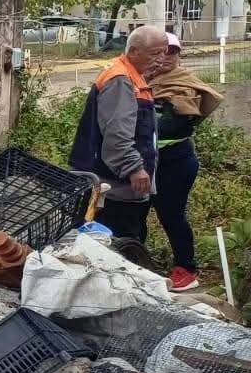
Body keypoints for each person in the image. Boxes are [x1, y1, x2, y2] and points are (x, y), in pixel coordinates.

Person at [70, 25, 170, 244]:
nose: (161, 59)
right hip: (114, 188)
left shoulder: (133, 77)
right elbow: (117, 134)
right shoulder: (121, 80)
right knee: (118, 245)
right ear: (133, 51)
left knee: (127, 240)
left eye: (164, 52)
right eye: (155, 53)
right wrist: (133, 168)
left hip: (120, 186)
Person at [148, 32, 222, 292]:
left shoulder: (185, 85)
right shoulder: (144, 80)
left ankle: (187, 269)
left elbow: (172, 125)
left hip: (175, 161)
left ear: (179, 54)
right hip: (146, 160)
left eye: (172, 51)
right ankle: (136, 262)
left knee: (171, 214)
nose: (166, 57)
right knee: (136, 212)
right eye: (161, 51)